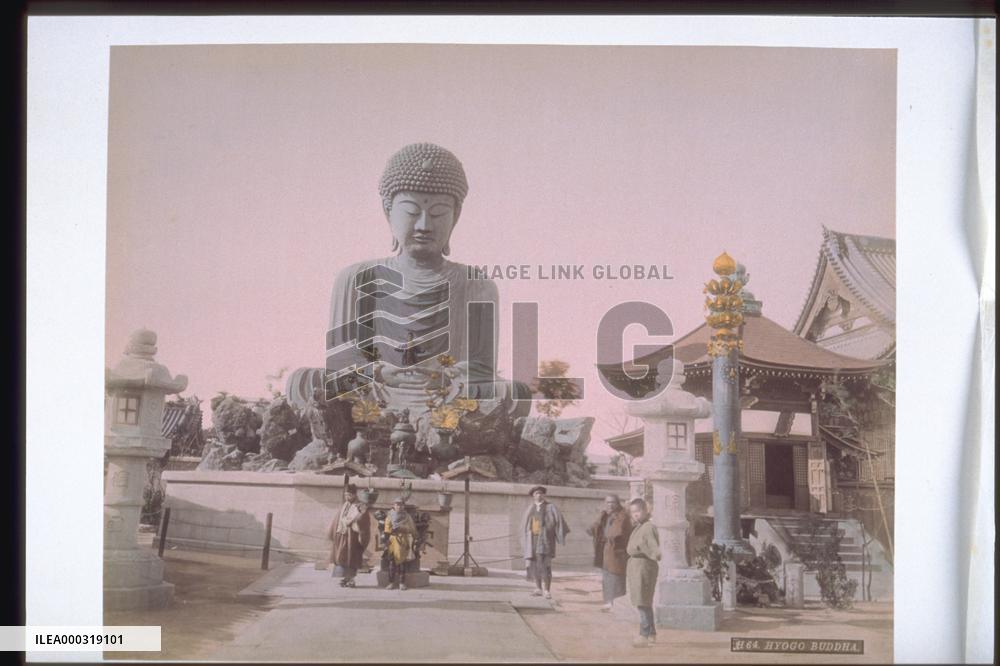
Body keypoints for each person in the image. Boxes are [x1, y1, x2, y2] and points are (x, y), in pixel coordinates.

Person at [521, 486, 570, 599]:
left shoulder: (550, 507)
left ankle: (547, 590)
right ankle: (538, 588)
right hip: (532, 540)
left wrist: (549, 528)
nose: (539, 495)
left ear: (544, 495)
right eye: (537, 493)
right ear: (533, 495)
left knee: (545, 565)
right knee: (535, 565)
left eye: (541, 493)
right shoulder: (531, 508)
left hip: (545, 540)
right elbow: (525, 525)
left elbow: (559, 521)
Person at [586, 494, 633, 611]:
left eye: (612, 502)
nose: (610, 505)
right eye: (607, 502)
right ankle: (608, 601)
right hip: (605, 550)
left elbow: (619, 531)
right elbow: (595, 528)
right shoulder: (605, 515)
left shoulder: (623, 515)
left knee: (616, 576)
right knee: (606, 575)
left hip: (617, 551)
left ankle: (616, 603)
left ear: (617, 503)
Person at [626, 498, 660, 647]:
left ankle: (644, 635)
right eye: (633, 512)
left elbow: (655, 551)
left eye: (638, 511)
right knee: (644, 601)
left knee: (642, 602)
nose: (635, 515)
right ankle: (651, 634)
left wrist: (646, 551)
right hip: (637, 565)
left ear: (646, 511)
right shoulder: (640, 527)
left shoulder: (648, 527)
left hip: (644, 566)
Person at [327, 483, 372, 588]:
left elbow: (363, 517)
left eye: (350, 495)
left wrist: (354, 519)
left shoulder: (360, 505)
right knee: (341, 557)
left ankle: (351, 579)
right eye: (346, 495)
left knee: (351, 557)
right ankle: (345, 577)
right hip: (342, 534)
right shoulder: (345, 505)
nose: (347, 497)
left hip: (353, 535)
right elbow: (338, 518)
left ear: (355, 495)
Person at [383, 497, 417, 590]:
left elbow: (412, 529)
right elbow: (387, 529)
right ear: (394, 506)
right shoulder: (390, 516)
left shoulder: (407, 517)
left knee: (402, 563)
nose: (399, 506)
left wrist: (403, 528)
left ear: (403, 506)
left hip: (403, 541)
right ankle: (391, 582)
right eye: (397, 504)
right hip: (392, 541)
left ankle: (402, 583)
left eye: (401, 504)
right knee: (391, 563)